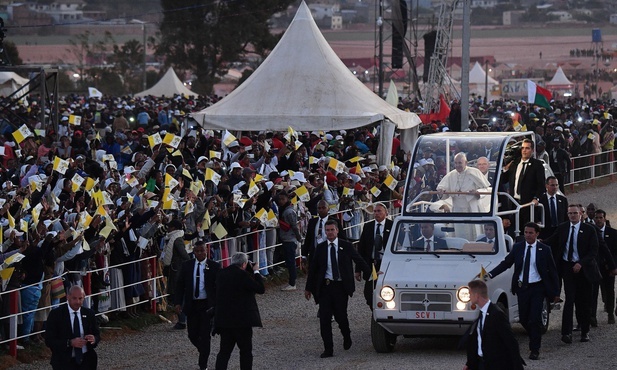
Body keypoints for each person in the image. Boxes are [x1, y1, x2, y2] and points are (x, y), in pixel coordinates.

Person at [487, 222, 559, 360]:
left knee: (535, 318)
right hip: (522, 288)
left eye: (531, 233)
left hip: (538, 288)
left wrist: (555, 292)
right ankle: (533, 332)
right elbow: (506, 263)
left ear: (537, 234)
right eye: (525, 232)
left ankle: (535, 349)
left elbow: (553, 272)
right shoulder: (518, 248)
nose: (527, 235)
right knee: (525, 318)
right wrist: (490, 274)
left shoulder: (545, 250)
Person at [304, 220, 370, 358]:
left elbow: (359, 260)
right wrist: (308, 288)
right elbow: (313, 269)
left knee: (341, 316)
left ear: (337, 230)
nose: (329, 233)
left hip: (340, 287)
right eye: (327, 230)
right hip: (325, 287)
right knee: (324, 319)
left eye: (332, 230)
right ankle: (328, 349)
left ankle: (346, 334)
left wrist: (372, 274)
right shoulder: (320, 248)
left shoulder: (346, 246)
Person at [543, 204, 601, 343]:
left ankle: (585, 331)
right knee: (569, 300)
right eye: (570, 213)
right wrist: (539, 243)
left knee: (584, 302)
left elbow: (593, 251)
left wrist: (581, 263)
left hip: (584, 269)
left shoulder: (589, 230)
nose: (572, 216)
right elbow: (552, 240)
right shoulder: (563, 228)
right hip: (567, 268)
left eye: (575, 213)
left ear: (581, 214)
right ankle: (566, 333)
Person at [174, 241, 221, 370]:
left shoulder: (214, 266)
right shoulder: (187, 266)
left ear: (206, 251)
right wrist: (178, 302)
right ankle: (204, 351)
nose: (200, 253)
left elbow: (219, 287)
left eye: (202, 251)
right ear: (193, 252)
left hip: (207, 305)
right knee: (192, 334)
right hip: (192, 304)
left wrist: (218, 305)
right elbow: (180, 285)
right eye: (197, 251)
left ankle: (203, 365)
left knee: (205, 335)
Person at [214, 252, 265, 370]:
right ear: (244, 264)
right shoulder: (243, 276)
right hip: (242, 321)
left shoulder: (221, 274)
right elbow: (260, 288)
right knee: (245, 351)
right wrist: (256, 271)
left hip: (225, 320)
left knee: (224, 352)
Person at [463, 279, 524, 370]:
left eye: (470, 294)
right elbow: (478, 340)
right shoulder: (482, 313)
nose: (469, 297)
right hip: (481, 363)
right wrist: (469, 363)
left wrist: (517, 366)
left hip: (494, 365)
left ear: (476, 295)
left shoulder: (496, 314)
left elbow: (511, 341)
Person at [45, 286, 100, 370]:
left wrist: (93, 339)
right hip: (64, 362)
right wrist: (69, 343)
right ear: (68, 297)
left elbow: (97, 334)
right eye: (74, 298)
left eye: (80, 298)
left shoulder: (89, 314)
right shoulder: (56, 314)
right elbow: (49, 340)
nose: (77, 302)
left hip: (86, 360)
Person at [437, 152, 490, 240]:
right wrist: (441, 191)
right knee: (459, 235)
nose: (457, 165)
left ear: (466, 162)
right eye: (456, 163)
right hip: (457, 210)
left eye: (460, 163)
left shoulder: (474, 172)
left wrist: (477, 192)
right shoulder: (451, 175)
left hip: (472, 208)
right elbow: (443, 191)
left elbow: (486, 189)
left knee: (474, 235)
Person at [501, 139, 545, 235]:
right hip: (514, 203)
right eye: (523, 148)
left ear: (532, 150)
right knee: (513, 231)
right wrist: (505, 169)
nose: (524, 150)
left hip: (528, 205)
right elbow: (504, 180)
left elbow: (541, 186)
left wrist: (536, 198)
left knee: (526, 232)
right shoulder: (514, 163)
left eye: (527, 148)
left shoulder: (537, 165)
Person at [356, 202, 392, 309]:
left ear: (386, 212)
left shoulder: (393, 225)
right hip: (371, 264)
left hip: (386, 264)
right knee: (369, 291)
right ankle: (374, 311)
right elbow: (361, 248)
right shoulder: (368, 226)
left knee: (386, 289)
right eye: (375, 211)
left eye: (379, 211)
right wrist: (358, 269)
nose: (376, 213)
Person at [589, 209, 617, 326]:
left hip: (608, 268)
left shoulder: (613, 233)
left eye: (601, 218)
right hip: (595, 267)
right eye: (596, 218)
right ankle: (592, 316)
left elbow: (615, 252)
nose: (598, 220)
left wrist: (613, 266)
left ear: (605, 218)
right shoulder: (590, 231)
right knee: (593, 292)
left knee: (609, 291)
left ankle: (610, 313)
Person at [302, 199, 344, 264]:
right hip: (315, 254)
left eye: (323, 208)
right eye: (319, 208)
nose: (321, 210)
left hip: (330, 253)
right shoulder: (312, 222)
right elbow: (308, 238)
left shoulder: (335, 222)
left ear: (328, 209)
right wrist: (304, 255)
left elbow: (342, 237)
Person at [276, 191, 302, 291]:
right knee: (289, 261)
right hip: (287, 238)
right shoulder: (284, 210)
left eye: (283, 199)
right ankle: (292, 281)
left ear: (287, 199)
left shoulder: (289, 211)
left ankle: (292, 283)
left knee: (291, 262)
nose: (281, 201)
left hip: (290, 239)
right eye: (280, 199)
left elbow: (294, 226)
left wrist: (298, 237)